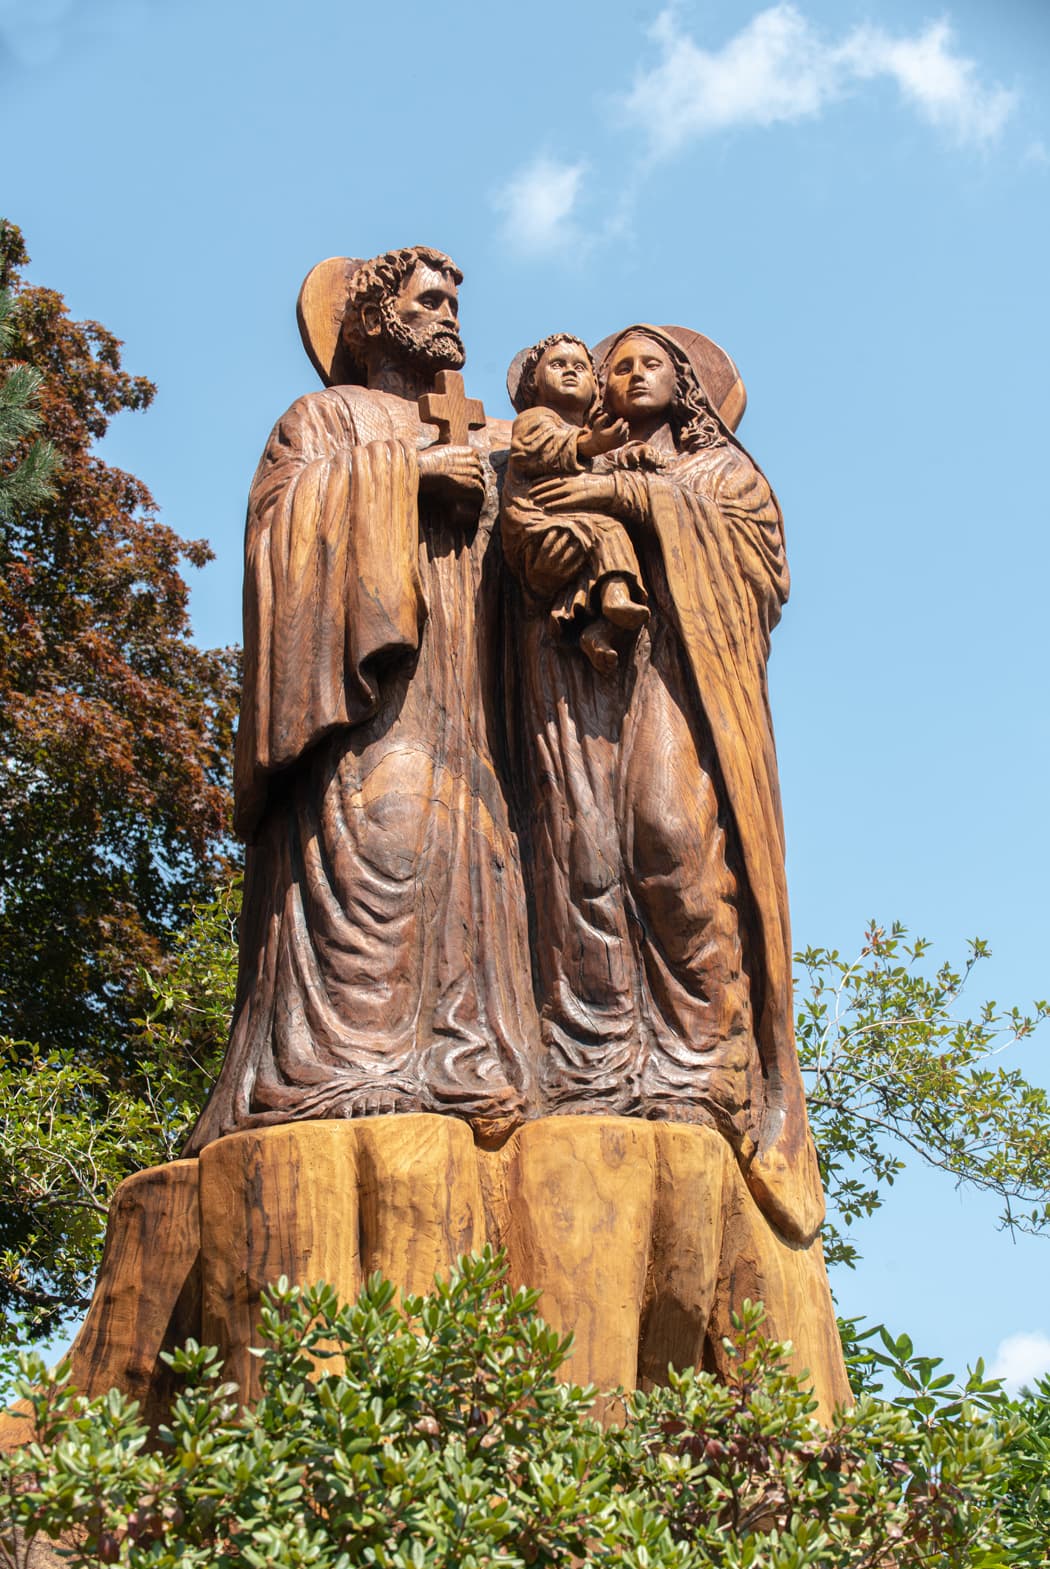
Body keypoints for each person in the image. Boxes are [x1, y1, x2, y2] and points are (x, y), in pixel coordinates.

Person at [185, 247, 539, 1154]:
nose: (451, 314)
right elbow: (282, 529)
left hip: (473, 694)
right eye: (430, 299)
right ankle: (346, 1061)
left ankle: (466, 1059)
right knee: (382, 836)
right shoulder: (323, 416)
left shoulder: (483, 430)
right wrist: (406, 477)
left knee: (471, 856)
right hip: (373, 694)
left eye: (458, 299)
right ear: (376, 319)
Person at [512, 323, 824, 1243]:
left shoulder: (724, 471)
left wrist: (630, 496)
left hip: (688, 680)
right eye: (617, 366)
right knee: (589, 857)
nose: (628, 374)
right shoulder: (577, 451)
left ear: (686, 380)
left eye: (649, 362)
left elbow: (761, 571)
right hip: (590, 684)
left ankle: (710, 1062)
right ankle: (604, 1051)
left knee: (673, 839)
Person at [501, 333, 649, 674]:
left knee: (609, 535)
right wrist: (590, 444)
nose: (570, 372)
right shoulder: (535, 419)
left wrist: (633, 453)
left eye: (580, 367)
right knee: (604, 531)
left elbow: (610, 461)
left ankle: (601, 630)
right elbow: (535, 449)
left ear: (596, 388)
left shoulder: (593, 434)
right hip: (536, 533)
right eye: (557, 364)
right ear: (531, 383)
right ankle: (612, 600)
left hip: (578, 538)